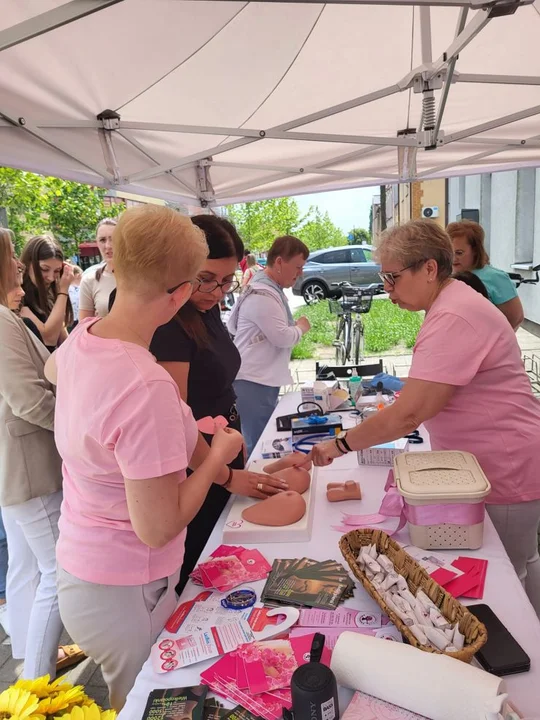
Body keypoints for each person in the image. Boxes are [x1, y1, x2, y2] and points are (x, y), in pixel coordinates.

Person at [50, 206, 244, 711]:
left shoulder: (82, 338)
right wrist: (216, 456)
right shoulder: (145, 384)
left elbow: (61, 380)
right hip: (126, 586)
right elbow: (157, 527)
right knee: (149, 704)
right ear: (180, 292)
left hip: (84, 569)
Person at [308, 220, 540, 614]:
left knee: (506, 576)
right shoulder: (451, 304)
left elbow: (409, 413)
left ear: (429, 269)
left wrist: (340, 444)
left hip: (503, 463)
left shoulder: (454, 314)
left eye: (392, 277)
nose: (387, 289)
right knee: (520, 564)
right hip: (486, 458)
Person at [149, 216, 286, 593]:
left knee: (227, 554)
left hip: (221, 447)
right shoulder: (167, 324)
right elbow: (178, 420)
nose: (216, 291)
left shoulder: (204, 309)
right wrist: (224, 475)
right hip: (198, 461)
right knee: (200, 564)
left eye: (227, 281)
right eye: (206, 278)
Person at [0, 228, 80, 678]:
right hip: (28, 466)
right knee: (56, 571)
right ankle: (37, 681)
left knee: (28, 567)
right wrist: (79, 428)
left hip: (17, 465)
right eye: (11, 257)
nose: (16, 265)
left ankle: (28, 660)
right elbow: (27, 399)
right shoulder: (2, 319)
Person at [229, 236, 311, 456]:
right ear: (279, 262)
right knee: (259, 445)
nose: (300, 273)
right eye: (297, 267)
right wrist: (302, 327)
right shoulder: (262, 294)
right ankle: (258, 488)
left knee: (261, 440)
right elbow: (282, 336)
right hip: (253, 379)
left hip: (258, 378)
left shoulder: (266, 289)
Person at [447, 220, 524, 330]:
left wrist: (494, 342)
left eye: (459, 253)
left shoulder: (495, 277)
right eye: (450, 252)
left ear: (475, 251)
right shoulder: (447, 276)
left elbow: (515, 317)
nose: (453, 259)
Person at [20, 235, 74, 352]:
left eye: (57, 271)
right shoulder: (17, 295)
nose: (50, 278)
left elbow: (64, 340)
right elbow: (49, 338)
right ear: (28, 263)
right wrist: (63, 291)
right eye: (44, 269)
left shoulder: (50, 296)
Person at [79, 218, 117, 320]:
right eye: (102, 240)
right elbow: (83, 327)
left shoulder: (138, 277)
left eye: (113, 239)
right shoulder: (89, 280)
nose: (108, 246)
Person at [68, 265, 83, 330]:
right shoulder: (68, 288)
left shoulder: (83, 286)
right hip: (71, 320)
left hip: (81, 319)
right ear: (77, 275)